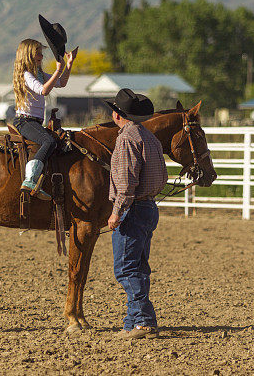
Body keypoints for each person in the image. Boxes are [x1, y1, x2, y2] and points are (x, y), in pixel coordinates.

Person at [105, 88, 168, 340]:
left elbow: (126, 181)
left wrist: (116, 212)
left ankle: (143, 321)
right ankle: (132, 322)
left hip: (133, 208)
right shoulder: (150, 138)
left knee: (125, 269)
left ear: (118, 115)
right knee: (139, 266)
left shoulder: (126, 139)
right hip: (149, 206)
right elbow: (161, 176)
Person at [12, 38, 77, 200]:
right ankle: (30, 179)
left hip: (33, 121)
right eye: (38, 53)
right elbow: (43, 91)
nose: (41, 56)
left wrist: (68, 65)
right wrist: (58, 70)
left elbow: (61, 83)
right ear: (28, 55)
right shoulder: (26, 75)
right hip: (25, 121)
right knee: (49, 142)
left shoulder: (38, 74)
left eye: (41, 52)